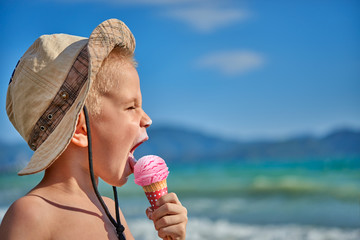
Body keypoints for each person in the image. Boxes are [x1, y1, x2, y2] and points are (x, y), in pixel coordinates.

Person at [0, 19, 187, 240]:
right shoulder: (30, 215)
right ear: (81, 130)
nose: (147, 119)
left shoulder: (112, 213)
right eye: (131, 106)